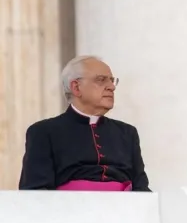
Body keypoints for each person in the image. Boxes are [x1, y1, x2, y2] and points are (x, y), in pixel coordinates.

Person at [18, 55, 151, 191]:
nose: (111, 87)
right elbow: (35, 193)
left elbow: (141, 188)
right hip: (69, 209)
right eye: (101, 80)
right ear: (76, 87)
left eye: (112, 81)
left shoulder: (127, 133)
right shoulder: (44, 132)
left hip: (124, 209)